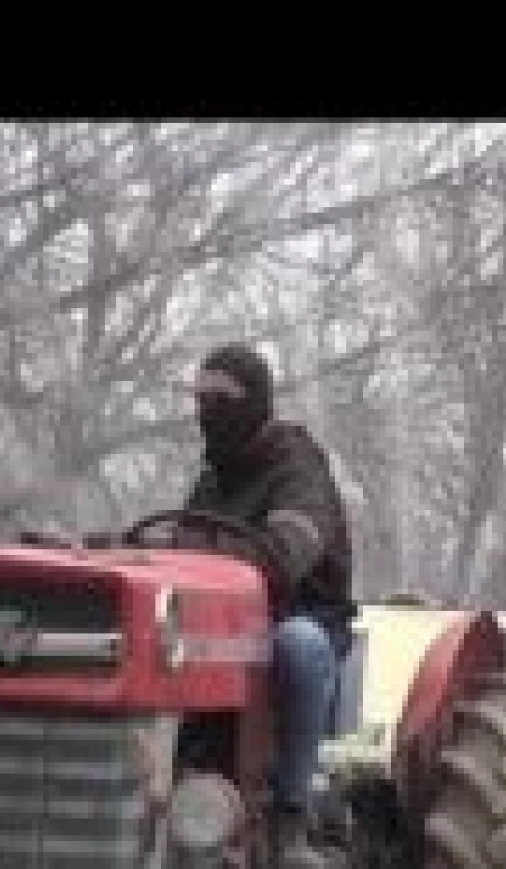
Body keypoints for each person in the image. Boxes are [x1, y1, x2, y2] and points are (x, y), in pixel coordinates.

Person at [164, 342, 355, 869]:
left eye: (221, 397)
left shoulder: (299, 469)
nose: (207, 410)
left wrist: (215, 557)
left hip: (296, 618)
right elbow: (176, 553)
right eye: (200, 397)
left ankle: (291, 814)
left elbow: (285, 554)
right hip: (224, 632)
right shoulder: (212, 477)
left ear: (255, 401)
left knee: (298, 643)